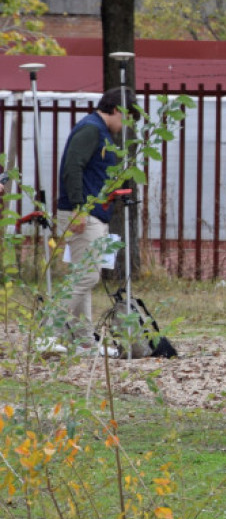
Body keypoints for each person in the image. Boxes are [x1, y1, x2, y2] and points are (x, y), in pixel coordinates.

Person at [56, 87, 130, 356]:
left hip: (92, 212)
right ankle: (49, 333)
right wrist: (78, 208)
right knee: (85, 276)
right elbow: (72, 166)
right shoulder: (91, 129)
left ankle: (83, 341)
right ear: (116, 109)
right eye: (127, 116)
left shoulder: (99, 131)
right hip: (82, 213)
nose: (126, 123)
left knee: (83, 277)